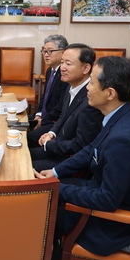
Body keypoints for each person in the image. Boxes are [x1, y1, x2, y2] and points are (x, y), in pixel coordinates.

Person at [35, 56, 130, 260]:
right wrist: (54, 172)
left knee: (41, 213)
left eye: (92, 82)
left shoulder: (124, 137)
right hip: (105, 190)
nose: (88, 88)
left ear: (110, 93)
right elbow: (90, 151)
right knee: (45, 196)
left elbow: (107, 200)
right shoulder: (123, 112)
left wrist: (56, 188)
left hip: (118, 220)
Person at [30, 43, 103, 171]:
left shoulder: (91, 100)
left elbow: (81, 145)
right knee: (22, 154)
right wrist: (51, 133)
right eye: (62, 62)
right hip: (59, 147)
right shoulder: (71, 86)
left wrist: (50, 144)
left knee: (23, 166)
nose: (62, 68)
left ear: (86, 68)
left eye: (68, 64)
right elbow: (62, 118)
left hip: (69, 159)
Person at [27, 34, 69, 143]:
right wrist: (38, 114)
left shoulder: (65, 74)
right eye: (44, 51)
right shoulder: (50, 70)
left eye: (50, 51)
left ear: (63, 52)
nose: (46, 55)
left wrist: (43, 121)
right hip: (45, 116)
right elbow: (45, 97)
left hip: (55, 120)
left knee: (29, 137)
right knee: (16, 121)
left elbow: (61, 105)